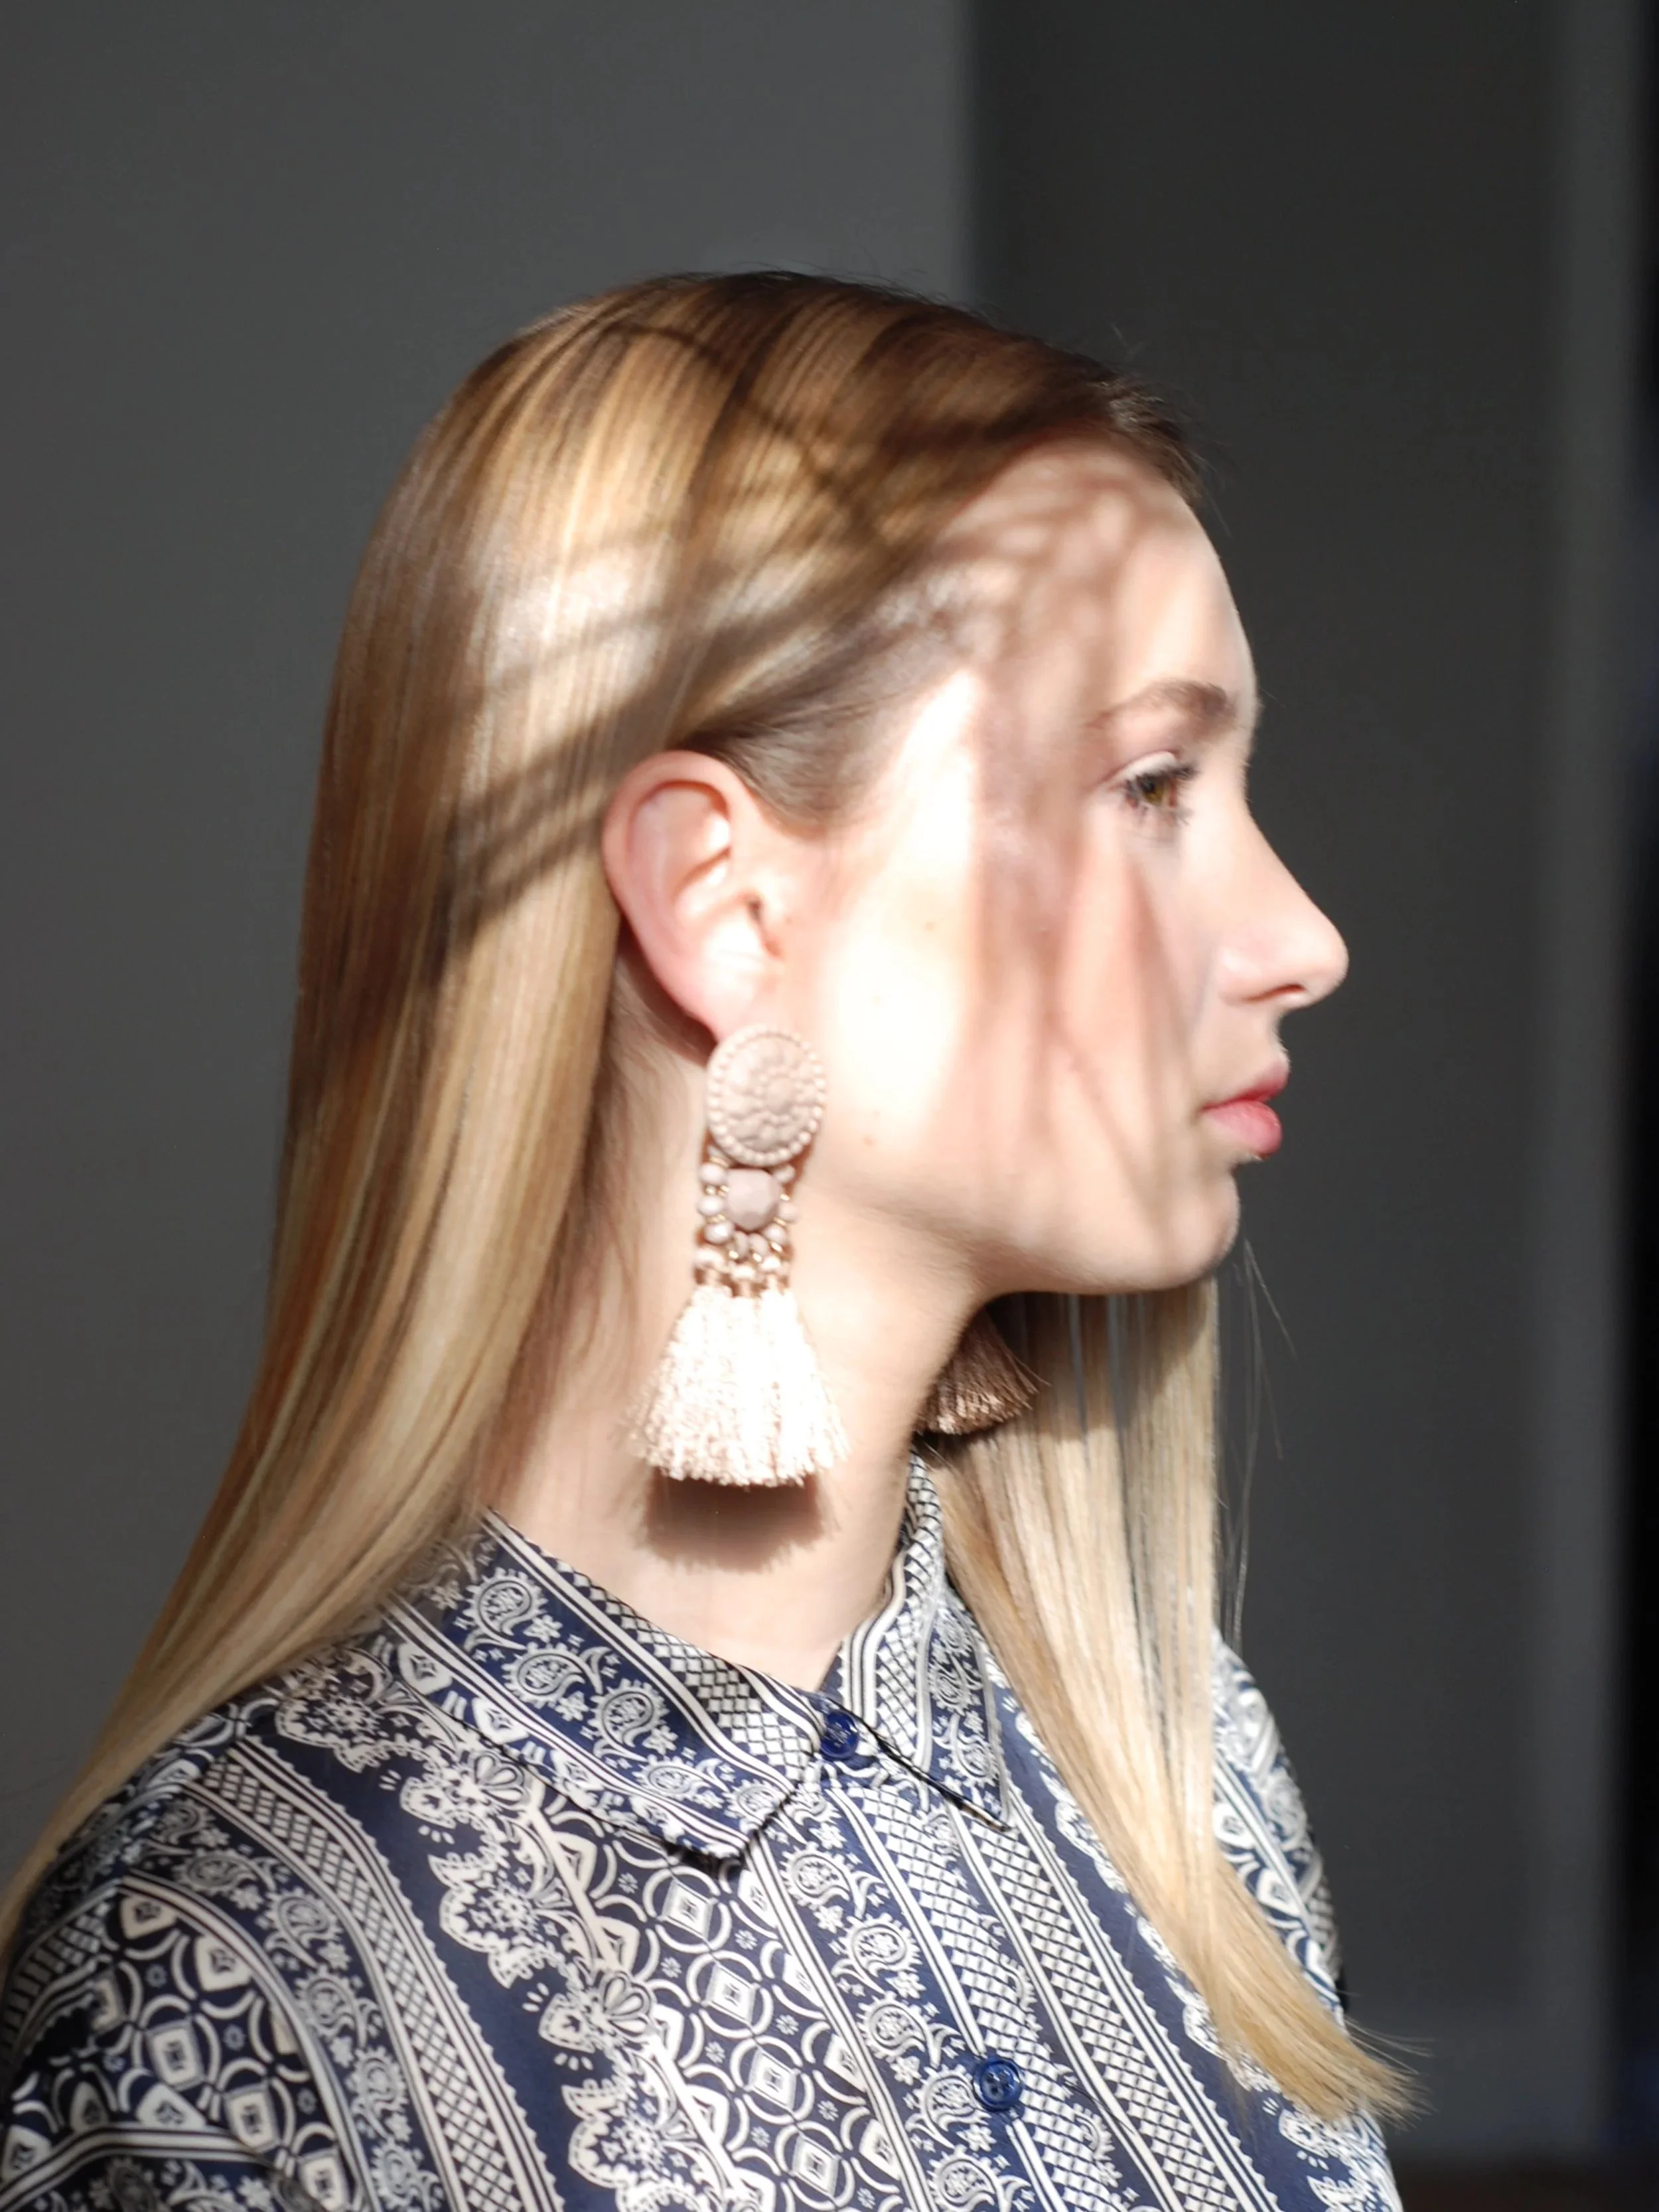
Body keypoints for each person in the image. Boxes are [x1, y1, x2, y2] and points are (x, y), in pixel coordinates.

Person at [0, 273, 1406, 2211]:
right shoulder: (223, 1995)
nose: (1302, 936)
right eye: (1152, 785)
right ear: (722, 899)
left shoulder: (1182, 1770)